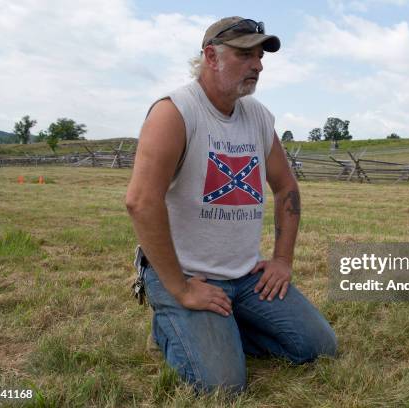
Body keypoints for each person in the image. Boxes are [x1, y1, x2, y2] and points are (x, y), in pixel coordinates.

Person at [125, 16, 337, 394]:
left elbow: (286, 185)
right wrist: (181, 288)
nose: (257, 64)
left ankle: (224, 332)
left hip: (246, 274)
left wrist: (283, 260)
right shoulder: (174, 112)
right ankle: (171, 323)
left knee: (318, 347)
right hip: (188, 273)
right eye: (245, 54)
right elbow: (141, 202)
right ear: (211, 56)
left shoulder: (257, 116)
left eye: (259, 56)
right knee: (222, 386)